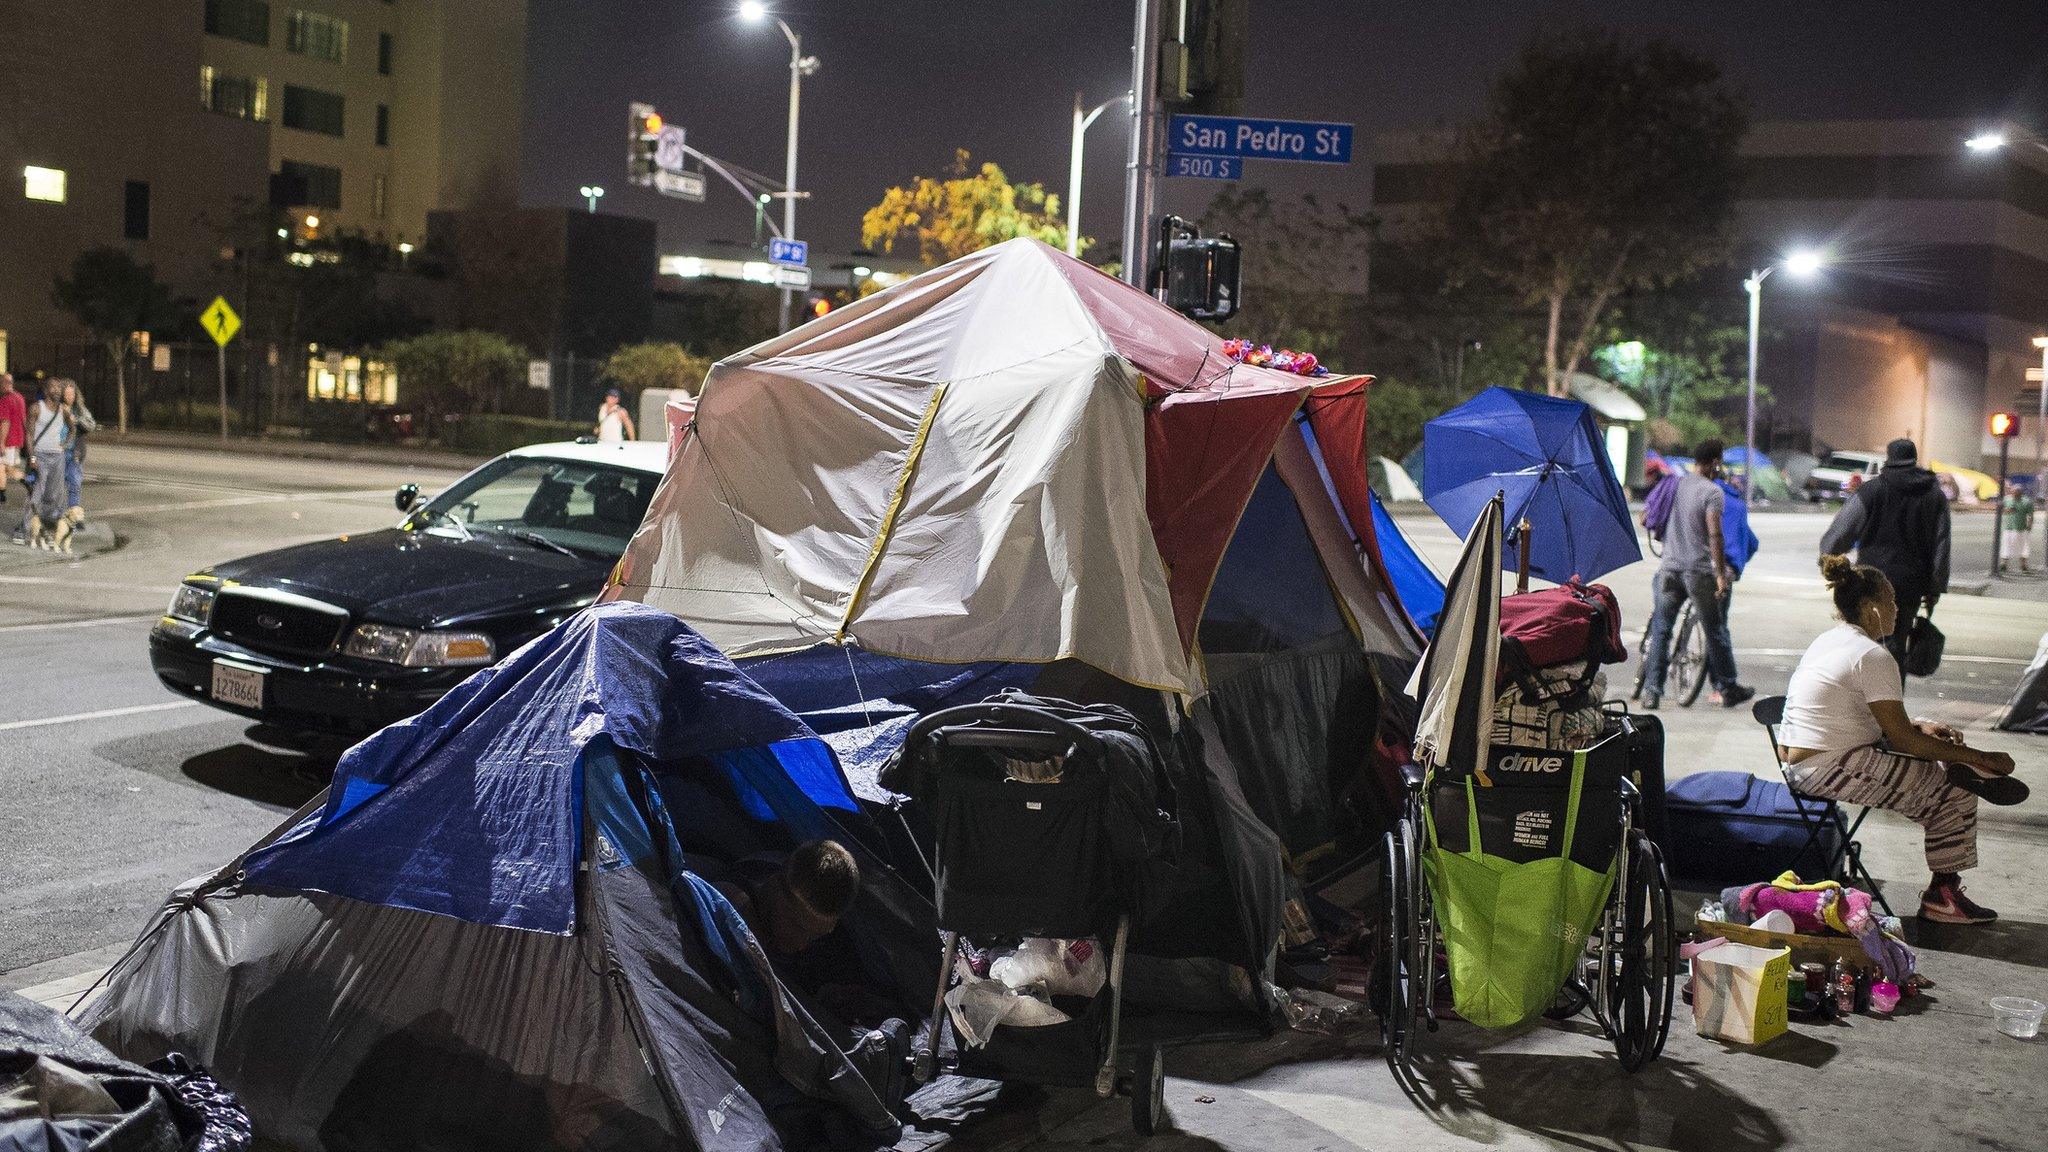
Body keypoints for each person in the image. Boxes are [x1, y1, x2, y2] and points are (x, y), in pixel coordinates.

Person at [1779, 555, 2026, 924]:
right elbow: (1904, 742)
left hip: (1807, 761)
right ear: (1869, 608)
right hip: (1829, 767)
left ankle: (1945, 884)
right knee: (1952, 790)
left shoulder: (1831, 640)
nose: (1897, 608)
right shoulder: (1873, 656)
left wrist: (1920, 727)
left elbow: (1873, 721)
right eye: (1890, 600)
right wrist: (1982, 756)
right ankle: (1943, 896)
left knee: (1940, 767)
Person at [1639, 438, 1753, 710]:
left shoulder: (1674, 484)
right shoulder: (1712, 492)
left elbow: (1646, 516)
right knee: (1715, 629)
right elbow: (1715, 533)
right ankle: (1728, 684)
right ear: (1715, 462)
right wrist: (1720, 574)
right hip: (1697, 571)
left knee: (1662, 629)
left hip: (1668, 567)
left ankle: (1652, 691)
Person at [1820, 437, 1950, 667]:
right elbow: (1941, 544)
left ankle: (1862, 699)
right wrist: (1935, 587)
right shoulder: (1934, 495)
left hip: (1872, 580)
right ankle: (1889, 698)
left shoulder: (1873, 490)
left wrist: (1830, 559)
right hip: (1912, 583)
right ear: (1914, 459)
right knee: (1896, 645)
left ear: (1888, 460)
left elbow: (1839, 536)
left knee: (1864, 643)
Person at [712, 838, 860, 960]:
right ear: (772, 886)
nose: (802, 945)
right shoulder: (726, 905)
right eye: (797, 926)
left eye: (815, 936)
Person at [12, 377, 71, 547]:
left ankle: (45, 530)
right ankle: (23, 529)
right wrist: (31, 457)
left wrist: (65, 444)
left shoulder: (63, 410)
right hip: (40, 455)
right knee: (37, 493)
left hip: (57, 457)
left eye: (59, 387)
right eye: (54, 387)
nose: (58, 390)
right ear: (45, 391)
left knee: (54, 495)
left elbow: (72, 429)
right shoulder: (36, 408)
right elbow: (29, 435)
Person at [59, 379, 96, 521]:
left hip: (74, 453)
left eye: (72, 394)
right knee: (57, 487)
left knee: (74, 484)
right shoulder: (56, 408)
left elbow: (91, 425)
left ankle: (73, 517)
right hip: (58, 452)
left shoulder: (79, 409)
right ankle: (58, 516)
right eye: (67, 394)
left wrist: (76, 419)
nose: (70, 397)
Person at [0, 372, 25, 503]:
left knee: (3, 467)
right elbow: (23, 419)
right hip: (17, 440)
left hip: (8, 440)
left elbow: (5, 422)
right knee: (7, 468)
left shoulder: (4, 400)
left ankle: (2, 494)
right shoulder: (19, 397)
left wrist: (1, 443)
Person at [1999, 479, 2033, 575]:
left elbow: (2030, 515)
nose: (2013, 494)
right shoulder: (2007, 499)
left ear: (2020, 493)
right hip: (2009, 528)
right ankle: (2003, 564)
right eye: (2012, 492)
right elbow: (2001, 510)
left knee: (2023, 547)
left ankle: (2023, 565)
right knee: (2006, 545)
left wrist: (2029, 526)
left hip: (2021, 528)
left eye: (2016, 492)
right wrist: (2007, 510)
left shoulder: (2026, 501)